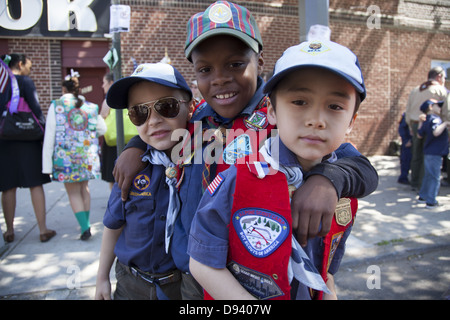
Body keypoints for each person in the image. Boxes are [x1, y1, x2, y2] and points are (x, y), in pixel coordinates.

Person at [112, 1, 378, 299]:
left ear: (260, 62)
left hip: (255, 277)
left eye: (236, 64)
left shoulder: (285, 115)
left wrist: (328, 178)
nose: (220, 78)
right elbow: (158, 128)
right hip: (192, 273)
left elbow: (362, 168)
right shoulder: (196, 117)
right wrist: (134, 147)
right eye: (205, 69)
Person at [188, 39, 366, 300]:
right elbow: (201, 262)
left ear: (351, 121)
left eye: (335, 107)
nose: (316, 120)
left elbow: (325, 272)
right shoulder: (238, 177)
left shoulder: (343, 194)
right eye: (299, 102)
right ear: (271, 110)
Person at [95, 63, 194, 300]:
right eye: (139, 112)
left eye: (166, 106)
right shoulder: (129, 167)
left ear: (190, 107)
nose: (153, 120)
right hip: (131, 282)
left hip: (180, 286)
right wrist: (101, 277)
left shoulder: (204, 159)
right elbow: (113, 223)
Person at [0, 53, 56, 243]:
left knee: (8, 186)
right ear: (21, 64)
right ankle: (42, 229)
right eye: (29, 66)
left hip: (4, 139)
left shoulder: (1, 81)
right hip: (28, 139)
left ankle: (9, 230)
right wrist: (43, 131)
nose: (29, 69)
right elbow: (36, 109)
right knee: (35, 183)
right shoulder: (25, 81)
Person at [42, 76, 106, 240]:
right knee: (84, 189)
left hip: (66, 159)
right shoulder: (91, 107)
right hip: (87, 156)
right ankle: (87, 224)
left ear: (64, 90)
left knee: (73, 192)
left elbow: (49, 135)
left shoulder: (56, 106)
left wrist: (47, 166)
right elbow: (102, 129)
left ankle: (85, 227)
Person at [405, 66, 447, 190]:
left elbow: (408, 110)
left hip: (414, 124)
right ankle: (423, 186)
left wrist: (410, 126)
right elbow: (445, 111)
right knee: (427, 155)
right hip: (433, 126)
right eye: (444, 77)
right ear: (439, 76)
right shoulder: (441, 90)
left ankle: (414, 182)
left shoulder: (416, 90)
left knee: (416, 155)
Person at [417, 99, 449, 208]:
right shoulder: (436, 119)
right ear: (431, 107)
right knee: (435, 177)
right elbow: (436, 132)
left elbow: (419, 135)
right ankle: (431, 201)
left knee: (428, 175)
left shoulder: (427, 120)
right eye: (438, 105)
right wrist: (445, 123)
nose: (440, 108)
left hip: (428, 152)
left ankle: (423, 196)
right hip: (435, 153)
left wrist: (421, 122)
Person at [100, 72, 116, 189]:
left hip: (112, 142)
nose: (102, 86)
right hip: (129, 139)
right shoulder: (127, 97)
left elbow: (102, 117)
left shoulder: (108, 100)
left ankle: (116, 201)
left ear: (111, 83)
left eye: (104, 83)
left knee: (113, 175)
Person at [398, 112, 412, 184]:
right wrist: (406, 141)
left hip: (412, 141)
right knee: (405, 160)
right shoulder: (407, 115)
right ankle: (403, 177)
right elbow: (401, 128)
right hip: (408, 142)